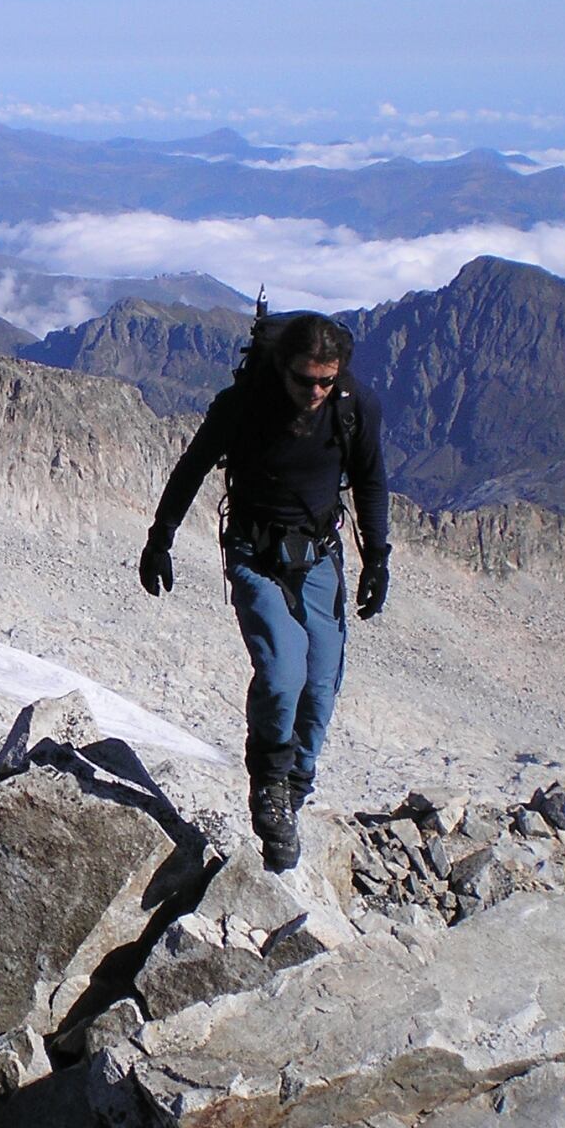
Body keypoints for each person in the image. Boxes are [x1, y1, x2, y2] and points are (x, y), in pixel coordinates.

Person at [136, 311, 390, 871]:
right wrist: (161, 540)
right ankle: (270, 784)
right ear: (281, 368)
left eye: (327, 380)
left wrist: (378, 559)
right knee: (283, 673)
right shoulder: (244, 405)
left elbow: (371, 480)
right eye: (306, 380)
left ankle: (294, 791)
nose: (317, 392)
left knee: (322, 684)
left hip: (320, 556)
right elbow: (193, 467)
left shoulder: (354, 407)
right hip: (255, 555)